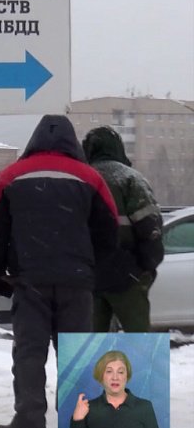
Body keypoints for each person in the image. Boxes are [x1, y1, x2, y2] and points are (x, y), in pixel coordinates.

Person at [0, 115, 119, 428]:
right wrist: (92, 269)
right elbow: (109, 230)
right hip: (76, 280)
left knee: (30, 350)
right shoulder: (90, 178)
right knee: (76, 351)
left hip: (31, 279)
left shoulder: (11, 177)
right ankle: (79, 419)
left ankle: (29, 416)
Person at [82, 126, 164, 332]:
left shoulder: (80, 179)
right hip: (128, 276)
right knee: (139, 345)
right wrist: (144, 267)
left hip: (86, 277)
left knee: (88, 348)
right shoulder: (131, 179)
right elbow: (151, 228)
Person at [68, 350, 167, 428]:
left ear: (127, 376)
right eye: (109, 372)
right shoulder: (88, 408)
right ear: (101, 376)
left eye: (120, 372)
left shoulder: (144, 406)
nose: (115, 377)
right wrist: (77, 420)